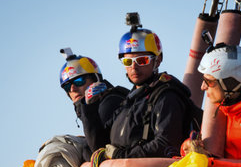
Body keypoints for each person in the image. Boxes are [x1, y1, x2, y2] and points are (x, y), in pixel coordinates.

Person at [79, 15, 196, 159]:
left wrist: (121, 156)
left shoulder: (166, 96)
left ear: (157, 61)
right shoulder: (129, 100)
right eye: (128, 61)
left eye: (142, 60)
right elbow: (101, 145)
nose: (134, 67)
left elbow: (166, 145)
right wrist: (89, 110)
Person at [58, 48, 128, 161]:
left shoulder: (110, 103)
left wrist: (88, 109)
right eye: (67, 86)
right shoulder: (91, 108)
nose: (73, 88)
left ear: (95, 79)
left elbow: (98, 150)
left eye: (79, 81)